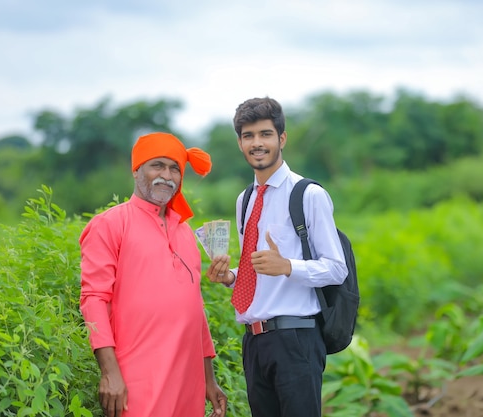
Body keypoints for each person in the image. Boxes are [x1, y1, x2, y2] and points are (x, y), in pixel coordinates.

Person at [206, 97, 348, 417]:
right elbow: (256, 270)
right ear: (240, 143)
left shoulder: (308, 195)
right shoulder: (245, 199)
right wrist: (230, 278)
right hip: (255, 342)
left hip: (296, 339)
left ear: (281, 139)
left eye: (265, 134)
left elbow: (336, 268)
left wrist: (287, 266)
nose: (257, 143)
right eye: (248, 136)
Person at [79, 132, 228, 417]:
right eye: (157, 165)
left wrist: (208, 379)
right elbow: (94, 299)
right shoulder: (109, 224)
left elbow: (195, 307)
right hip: (136, 374)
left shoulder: (184, 231)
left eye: (174, 168)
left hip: (188, 378)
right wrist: (109, 372)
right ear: (136, 170)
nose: (167, 175)